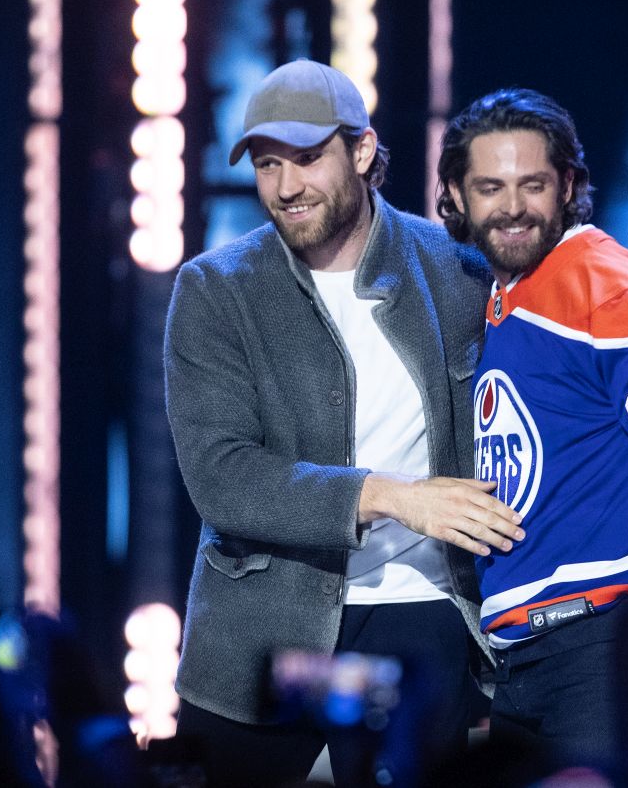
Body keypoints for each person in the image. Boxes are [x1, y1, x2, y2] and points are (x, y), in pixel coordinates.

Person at [163, 59, 524, 787]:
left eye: (306, 158)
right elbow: (224, 478)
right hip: (265, 630)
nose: (286, 187)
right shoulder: (214, 291)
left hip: (425, 614)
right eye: (268, 165)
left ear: (361, 151)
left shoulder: (457, 273)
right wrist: (390, 496)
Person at [436, 88, 628, 775]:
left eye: (532, 185)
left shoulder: (612, 291)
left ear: (568, 185)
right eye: (490, 187)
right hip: (523, 659)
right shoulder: (499, 297)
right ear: (457, 196)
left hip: (605, 649)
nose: (512, 206)